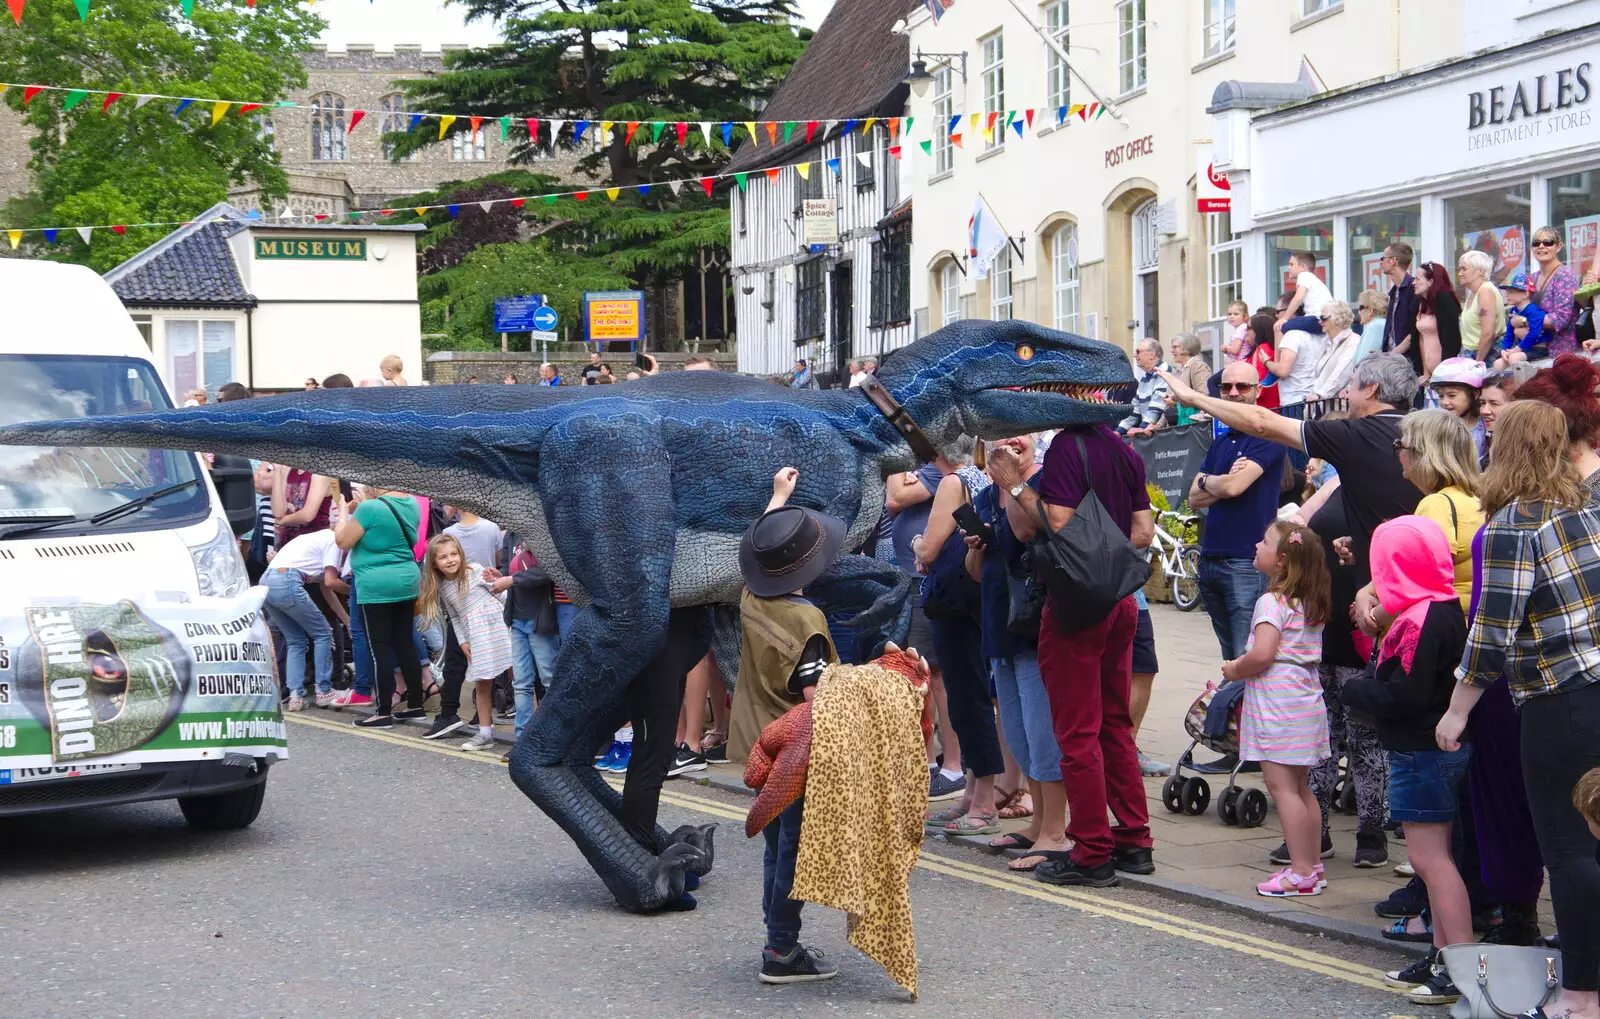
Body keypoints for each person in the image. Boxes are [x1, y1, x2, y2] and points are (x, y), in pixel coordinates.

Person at [1161, 353, 1424, 868]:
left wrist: (1192, 398)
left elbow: (1263, 421)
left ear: (1370, 387)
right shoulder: (1421, 437)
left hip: (1379, 611)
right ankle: (1321, 833)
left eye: (1350, 384)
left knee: (1368, 731)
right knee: (1341, 729)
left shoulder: (1363, 436)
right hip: (1380, 606)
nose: (1346, 394)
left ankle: (1375, 836)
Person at [1441, 399, 1600, 1019]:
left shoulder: (1515, 523)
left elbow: (1490, 638)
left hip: (1562, 704)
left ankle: (1584, 994)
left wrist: (1456, 713)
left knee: (1568, 850)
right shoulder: (1587, 507)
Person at [999, 419, 1156, 886]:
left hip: (1075, 605)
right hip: (1121, 599)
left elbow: (1058, 522)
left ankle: (1091, 851)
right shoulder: (1121, 447)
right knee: (1114, 725)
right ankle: (1134, 840)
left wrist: (1015, 484)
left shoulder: (1069, 445)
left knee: (1077, 732)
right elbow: (1143, 532)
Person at [1344, 517, 1473, 1008]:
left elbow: (1406, 694)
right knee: (1438, 857)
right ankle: (1443, 955)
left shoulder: (1419, 620)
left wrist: (1356, 688)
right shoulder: (1440, 606)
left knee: (1430, 861)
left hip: (1419, 752)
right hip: (1433, 750)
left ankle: (1458, 963)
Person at [727, 469, 844, 985]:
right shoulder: (807, 621)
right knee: (793, 846)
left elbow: (765, 543)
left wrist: (777, 498)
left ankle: (775, 935)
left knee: (778, 844)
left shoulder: (752, 599)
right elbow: (817, 701)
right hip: (795, 752)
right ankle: (781, 948)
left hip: (758, 741)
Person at [969, 433, 1070, 872]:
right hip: (998, 626)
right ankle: (1038, 825)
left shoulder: (1037, 483)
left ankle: (1056, 832)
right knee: (1018, 732)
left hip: (1032, 628)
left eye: (1021, 433)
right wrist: (975, 547)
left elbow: (1028, 528)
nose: (1013, 439)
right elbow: (976, 573)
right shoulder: (992, 491)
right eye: (1003, 432)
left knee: (1041, 730)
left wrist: (1012, 479)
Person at [1221, 520, 1330, 897]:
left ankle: (1299, 872)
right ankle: (1313, 865)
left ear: (1281, 560)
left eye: (1263, 541)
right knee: (1301, 788)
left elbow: (1262, 655)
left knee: (1281, 788)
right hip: (1305, 701)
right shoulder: (1309, 602)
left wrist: (1235, 669)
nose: (1256, 543)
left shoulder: (1272, 602)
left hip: (1278, 704)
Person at [915, 443, 1003, 837]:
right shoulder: (979, 477)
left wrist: (918, 545)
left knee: (969, 698)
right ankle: (970, 794)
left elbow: (930, 548)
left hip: (955, 607)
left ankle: (984, 802)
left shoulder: (953, 481)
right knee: (970, 696)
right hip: (971, 603)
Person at [1188, 361, 1288, 662]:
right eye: (1226, 387)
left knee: (1245, 657)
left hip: (1246, 560)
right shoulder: (1221, 442)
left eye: (1242, 386)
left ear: (1257, 391)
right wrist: (1217, 481)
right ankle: (1234, 708)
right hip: (1211, 559)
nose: (1233, 393)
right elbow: (1194, 497)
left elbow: (1234, 488)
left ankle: (1244, 709)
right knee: (1229, 657)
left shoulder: (1270, 434)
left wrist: (1211, 483)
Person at [886, 446, 969, 801]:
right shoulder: (928, 468)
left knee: (936, 675)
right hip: (914, 582)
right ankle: (929, 763)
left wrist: (894, 462)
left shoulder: (941, 471)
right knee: (918, 672)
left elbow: (895, 498)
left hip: (928, 583)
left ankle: (953, 767)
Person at [334, 486, 424, 729]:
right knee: (405, 642)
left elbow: (342, 541)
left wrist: (344, 513)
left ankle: (382, 711)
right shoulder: (411, 502)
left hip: (376, 585)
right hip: (406, 580)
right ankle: (416, 705)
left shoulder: (369, 508)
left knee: (379, 648)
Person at [417, 534, 512, 752]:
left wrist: (511, 624)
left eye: (454, 554)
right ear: (434, 563)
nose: (450, 560)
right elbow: (456, 616)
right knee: (482, 682)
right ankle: (485, 734)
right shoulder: (441, 586)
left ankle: (528, 732)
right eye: (443, 557)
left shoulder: (476, 570)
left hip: (499, 627)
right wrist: (462, 642)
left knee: (518, 678)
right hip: (477, 636)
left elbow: (503, 596)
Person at [262, 521, 341, 710]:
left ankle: (295, 696)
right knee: (322, 634)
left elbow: (325, 586)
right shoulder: (334, 540)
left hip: (267, 580)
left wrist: (345, 619)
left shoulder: (312, 538)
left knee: (295, 640)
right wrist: (352, 590)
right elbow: (331, 582)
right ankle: (324, 691)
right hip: (287, 580)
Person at [493, 542, 559, 740]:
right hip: (517, 618)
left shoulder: (541, 531)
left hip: (539, 620)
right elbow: (508, 568)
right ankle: (523, 739)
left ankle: (554, 737)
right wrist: (500, 576)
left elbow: (550, 571)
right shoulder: (512, 534)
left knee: (549, 680)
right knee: (521, 684)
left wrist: (512, 580)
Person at [1528, 224, 1584, 357]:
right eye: (1536, 243)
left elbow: (1560, 319)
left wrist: (1525, 321)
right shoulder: (1533, 278)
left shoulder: (1565, 275)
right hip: (1533, 350)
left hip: (1560, 353)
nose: (1541, 246)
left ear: (1559, 246)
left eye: (1548, 242)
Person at [1268, 302, 1327, 409]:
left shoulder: (1292, 335)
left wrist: (1266, 361)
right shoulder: (1322, 335)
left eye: (1278, 311)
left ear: (1292, 309)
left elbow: (1282, 371)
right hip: (1315, 399)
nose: (1276, 316)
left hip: (1293, 400)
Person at [1428, 357, 1488, 460]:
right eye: (1441, 396)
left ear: (1474, 394)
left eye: (1452, 395)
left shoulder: (1486, 425)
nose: (1444, 402)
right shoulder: (1437, 425)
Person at [1413, 262, 1464, 380]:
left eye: (1417, 279)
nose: (1413, 283)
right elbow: (1422, 338)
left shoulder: (1444, 299)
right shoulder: (1421, 303)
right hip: (1432, 375)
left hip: (1445, 374)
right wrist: (1426, 372)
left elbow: (1450, 340)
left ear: (1430, 282)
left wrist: (1445, 373)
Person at [1457, 250, 1508, 364]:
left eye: (1464, 269)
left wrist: (1477, 363)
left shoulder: (1485, 291)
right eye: (1459, 269)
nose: (1459, 273)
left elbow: (1488, 333)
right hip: (1471, 352)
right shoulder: (1474, 292)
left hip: (1483, 354)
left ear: (1480, 271)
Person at [1493, 271, 1548, 368]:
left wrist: (1517, 349)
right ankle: (1507, 382)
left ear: (1525, 294)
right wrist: (1504, 349)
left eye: (1511, 292)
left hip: (1538, 349)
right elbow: (1509, 334)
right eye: (1507, 292)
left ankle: (1523, 382)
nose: (1507, 295)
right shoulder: (1514, 310)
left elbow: (1534, 334)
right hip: (1522, 349)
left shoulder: (1534, 311)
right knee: (1497, 364)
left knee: (1514, 358)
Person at [1276, 250, 1334, 341]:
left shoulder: (1304, 275)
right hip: (1325, 320)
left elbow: (1298, 298)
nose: (1288, 268)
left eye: (1291, 264)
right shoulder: (1313, 280)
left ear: (1303, 267)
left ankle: (1277, 356)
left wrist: (1284, 318)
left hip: (1316, 319)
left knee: (1280, 326)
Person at [1311, 300, 1361, 401]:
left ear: (1339, 319)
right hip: (1317, 406)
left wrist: (1320, 395)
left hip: (1337, 408)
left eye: (1323, 318)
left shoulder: (1353, 341)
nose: (1320, 322)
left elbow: (1341, 374)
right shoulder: (1325, 342)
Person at [1118, 338, 1170, 437]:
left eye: (1138, 351)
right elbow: (1135, 410)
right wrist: (1119, 431)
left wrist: (1142, 428)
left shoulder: (1163, 371)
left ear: (1152, 354)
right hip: (1151, 433)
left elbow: (1157, 407)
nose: (1135, 355)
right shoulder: (1145, 378)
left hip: (1163, 435)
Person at [1382, 242, 1419, 358]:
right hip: (1393, 359)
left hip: (1407, 361)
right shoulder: (1394, 292)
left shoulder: (1414, 289)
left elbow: (1415, 330)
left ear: (1393, 260)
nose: (1381, 262)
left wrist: (1393, 354)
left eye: (1383, 258)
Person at [1168, 332, 1211, 426]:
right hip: (1182, 423)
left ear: (1187, 348)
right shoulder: (1179, 370)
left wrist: (1176, 399)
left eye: (1175, 347)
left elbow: (1204, 396)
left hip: (1195, 423)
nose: (1171, 351)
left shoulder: (1198, 366)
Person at [1247, 313, 1280, 412]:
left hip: (1264, 408)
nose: (1246, 331)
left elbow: (1259, 381)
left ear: (1259, 330)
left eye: (1249, 327)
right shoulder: (1269, 348)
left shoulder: (1263, 349)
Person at [1354, 289, 1388, 364]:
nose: (1358, 312)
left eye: (1360, 307)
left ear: (1370, 311)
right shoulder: (1379, 324)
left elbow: (1363, 361)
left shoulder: (1375, 326)